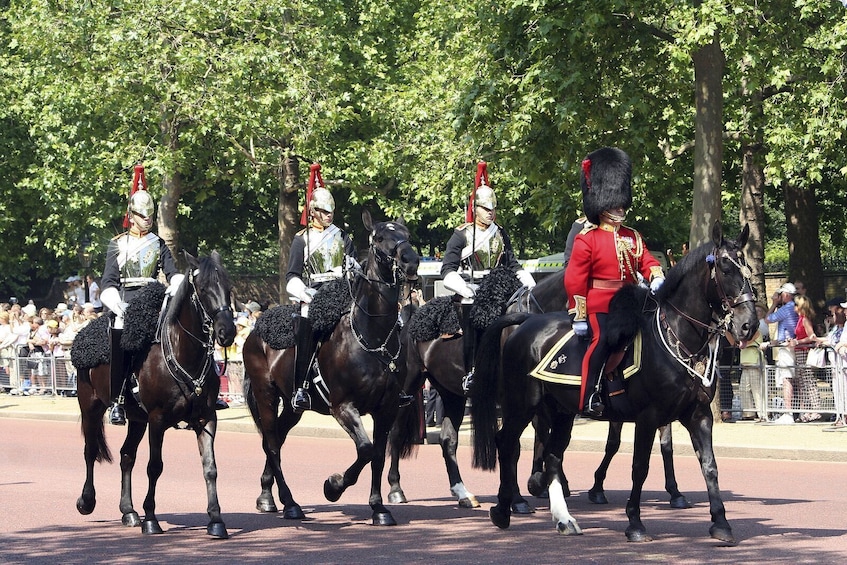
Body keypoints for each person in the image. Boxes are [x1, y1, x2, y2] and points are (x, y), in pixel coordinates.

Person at [565, 147, 665, 417]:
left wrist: (656, 275)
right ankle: (589, 396)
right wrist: (580, 313)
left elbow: (646, 260)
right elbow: (575, 279)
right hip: (601, 304)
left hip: (633, 302)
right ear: (602, 204)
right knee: (601, 342)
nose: (620, 207)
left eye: (621, 202)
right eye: (614, 203)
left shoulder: (633, 236)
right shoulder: (588, 238)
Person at [440, 161, 536, 392]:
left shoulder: (500, 233)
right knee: (473, 318)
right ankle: (471, 370)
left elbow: (511, 262)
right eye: (486, 208)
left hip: (500, 286)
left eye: (493, 208)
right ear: (476, 209)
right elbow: (447, 269)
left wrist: (526, 277)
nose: (491, 212)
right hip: (471, 287)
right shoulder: (461, 235)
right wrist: (462, 287)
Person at [99, 178, 183, 425]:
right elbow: (108, 282)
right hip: (126, 301)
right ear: (131, 215)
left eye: (150, 215)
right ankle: (118, 400)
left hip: (154, 298)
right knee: (119, 333)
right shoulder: (117, 244)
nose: (147, 219)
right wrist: (116, 304)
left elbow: (172, 272)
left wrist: (177, 285)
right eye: (142, 215)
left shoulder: (157, 243)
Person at [286, 166, 358, 412]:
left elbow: (354, 266)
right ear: (313, 212)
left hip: (343, 293)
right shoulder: (301, 239)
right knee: (306, 325)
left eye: (331, 212)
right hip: (314, 294)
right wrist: (306, 293)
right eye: (324, 212)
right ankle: (301, 388)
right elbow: (292, 276)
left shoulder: (343, 237)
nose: (329, 216)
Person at [766, 282, 799, 424]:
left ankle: (788, 412)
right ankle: (794, 411)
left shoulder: (786, 309)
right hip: (792, 346)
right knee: (792, 378)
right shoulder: (796, 307)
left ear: (785, 295)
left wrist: (774, 303)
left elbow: (768, 319)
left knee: (786, 379)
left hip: (786, 347)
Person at [787, 295, 821, 422]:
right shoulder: (800, 319)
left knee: (808, 381)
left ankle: (816, 409)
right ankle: (808, 409)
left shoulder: (805, 319)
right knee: (802, 382)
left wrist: (798, 341)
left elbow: (811, 336)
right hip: (799, 353)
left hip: (804, 352)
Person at [740, 304, 770, 422]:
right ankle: (748, 412)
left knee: (757, 389)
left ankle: (762, 413)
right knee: (743, 388)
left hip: (755, 361)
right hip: (745, 363)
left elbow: (744, 343)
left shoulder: (756, 331)